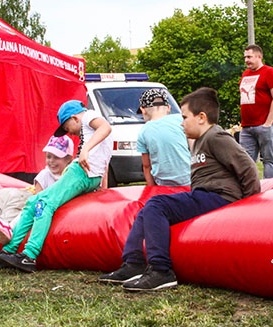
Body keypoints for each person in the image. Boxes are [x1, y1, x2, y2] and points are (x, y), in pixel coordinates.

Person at [99, 87, 261, 291]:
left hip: (220, 197)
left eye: (184, 117)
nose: (181, 122)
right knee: (147, 210)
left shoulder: (216, 137)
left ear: (201, 117)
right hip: (203, 196)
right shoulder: (200, 141)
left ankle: (161, 270)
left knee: (157, 205)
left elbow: (248, 168)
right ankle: (133, 263)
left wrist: (251, 206)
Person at [0, 100, 113, 273]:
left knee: (44, 204)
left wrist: (84, 151)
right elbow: (105, 160)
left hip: (81, 173)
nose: (69, 133)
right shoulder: (90, 132)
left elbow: (106, 127)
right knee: (33, 202)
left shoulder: (89, 116)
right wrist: (103, 188)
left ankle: (29, 255)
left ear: (74, 118)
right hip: (88, 175)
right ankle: (8, 251)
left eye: (66, 127)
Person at [239, 44, 273, 179]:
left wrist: (268, 123)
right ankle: (249, 191)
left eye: (249, 57)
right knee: (244, 162)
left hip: (265, 124)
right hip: (247, 126)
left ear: (259, 56)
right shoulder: (245, 74)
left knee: (268, 159)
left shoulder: (269, 72)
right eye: (245, 57)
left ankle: (268, 190)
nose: (246, 60)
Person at [136, 88, 191, 187]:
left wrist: (152, 189)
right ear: (169, 108)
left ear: (143, 110)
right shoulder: (180, 120)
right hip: (189, 179)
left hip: (163, 184)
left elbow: (146, 166)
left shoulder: (143, 132)